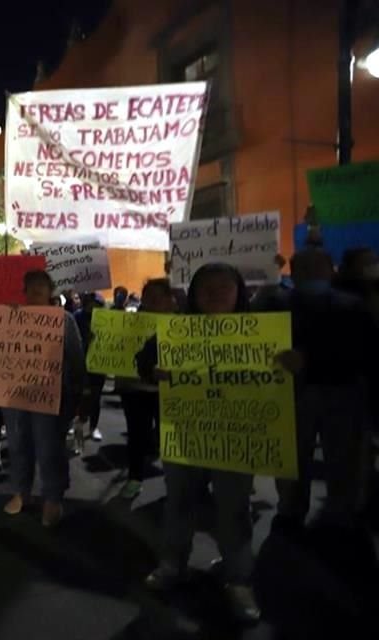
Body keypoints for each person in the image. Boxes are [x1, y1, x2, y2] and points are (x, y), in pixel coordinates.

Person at [140, 262, 261, 623]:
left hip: (236, 437)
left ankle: (238, 578)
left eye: (225, 286)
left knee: (234, 508)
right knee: (179, 501)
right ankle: (172, 565)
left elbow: (282, 372)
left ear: (239, 292)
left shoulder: (258, 332)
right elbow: (142, 360)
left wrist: (290, 364)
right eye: (206, 287)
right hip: (186, 434)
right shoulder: (174, 332)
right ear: (192, 294)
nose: (215, 293)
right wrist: (153, 369)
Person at [258, 248, 377, 529]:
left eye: (317, 266)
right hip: (293, 395)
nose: (311, 272)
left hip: (342, 393)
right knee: (291, 458)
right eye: (304, 267)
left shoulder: (354, 306)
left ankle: (340, 514)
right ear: (294, 271)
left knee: (343, 458)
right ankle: (291, 510)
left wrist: (308, 358)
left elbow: (366, 351)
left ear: (331, 269)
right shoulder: (275, 302)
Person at [1, 270, 85, 527]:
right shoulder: (11, 317)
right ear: (24, 291)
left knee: (49, 448)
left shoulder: (64, 320)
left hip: (51, 397)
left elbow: (76, 358)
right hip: (17, 397)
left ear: (50, 292)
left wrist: (81, 394)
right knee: (18, 445)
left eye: (42, 286)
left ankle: (53, 498)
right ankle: (21, 491)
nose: (36, 291)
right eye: (31, 286)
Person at [116, 279, 176, 500]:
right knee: (136, 436)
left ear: (170, 298)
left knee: (170, 437)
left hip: (168, 391)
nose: (151, 301)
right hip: (134, 389)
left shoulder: (184, 323)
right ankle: (135, 478)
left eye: (157, 296)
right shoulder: (130, 322)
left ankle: (176, 481)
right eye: (147, 296)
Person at [75, 292, 106, 443]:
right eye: (91, 303)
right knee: (81, 396)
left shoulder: (106, 319)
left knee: (95, 397)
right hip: (80, 363)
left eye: (97, 304)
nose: (93, 306)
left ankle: (93, 427)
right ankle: (79, 424)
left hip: (99, 364)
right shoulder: (77, 317)